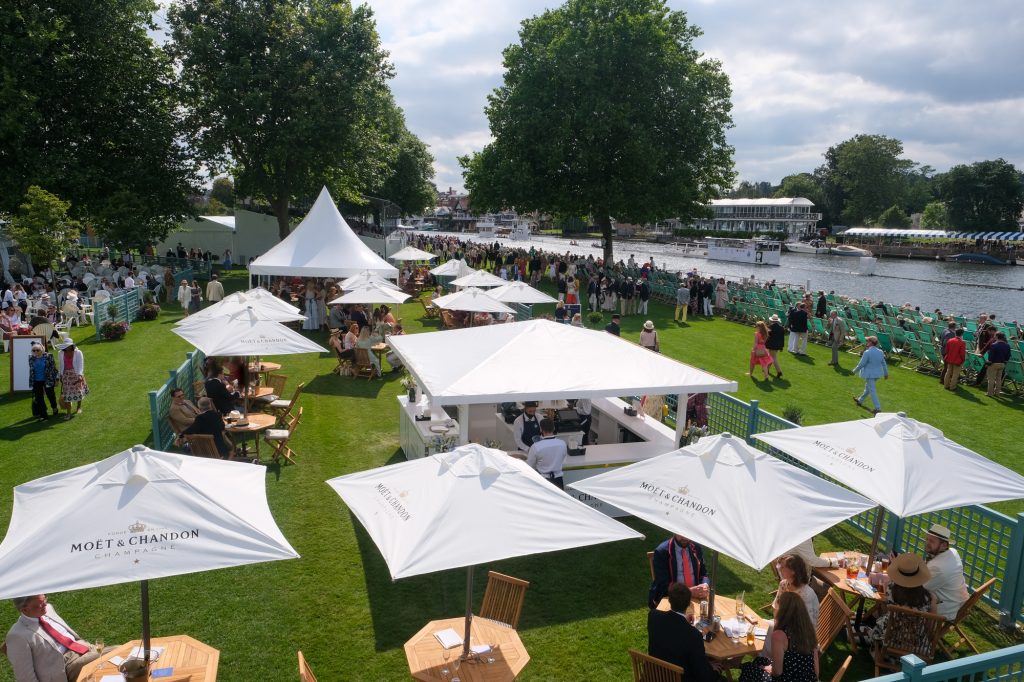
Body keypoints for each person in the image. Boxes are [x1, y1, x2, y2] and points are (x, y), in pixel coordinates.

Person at [6, 594, 108, 682]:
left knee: (115, 665)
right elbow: (25, 677)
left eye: (45, 599)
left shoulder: (48, 609)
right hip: (65, 666)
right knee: (115, 653)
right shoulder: (17, 635)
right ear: (25, 609)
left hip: (83, 647)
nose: (45, 604)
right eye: (40, 604)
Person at [741, 592, 818, 682]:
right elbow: (815, 667)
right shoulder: (809, 632)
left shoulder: (779, 635)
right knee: (760, 660)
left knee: (749, 669)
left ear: (782, 611)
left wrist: (769, 669)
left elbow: (777, 672)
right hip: (807, 679)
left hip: (786, 678)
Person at [647, 583, 716, 682]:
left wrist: (683, 621)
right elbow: (704, 675)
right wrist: (711, 668)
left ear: (669, 600)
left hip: (654, 676)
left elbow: (671, 631)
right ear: (689, 603)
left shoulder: (653, 616)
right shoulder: (694, 635)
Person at [863, 553, 935, 648]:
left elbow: (884, 611)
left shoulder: (891, 590)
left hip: (888, 644)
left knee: (876, 625)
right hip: (915, 649)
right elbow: (930, 626)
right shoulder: (930, 598)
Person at [649, 535, 710, 608]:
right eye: (681, 533)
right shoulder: (662, 551)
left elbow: (704, 574)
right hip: (672, 599)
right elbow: (663, 584)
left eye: (687, 533)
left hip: (696, 598)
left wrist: (705, 585)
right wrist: (688, 592)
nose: (684, 537)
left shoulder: (696, 547)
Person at [923, 524, 969, 621]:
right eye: (927, 539)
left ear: (943, 545)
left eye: (931, 541)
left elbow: (920, 587)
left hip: (946, 610)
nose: (927, 543)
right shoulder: (952, 552)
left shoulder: (938, 568)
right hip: (957, 602)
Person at [525, 418, 567, 489]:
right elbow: (563, 459)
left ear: (541, 429)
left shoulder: (536, 446)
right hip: (559, 480)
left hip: (543, 481)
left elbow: (529, 466)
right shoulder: (562, 443)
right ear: (553, 428)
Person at [852, 336, 888, 414]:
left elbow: (861, 364)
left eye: (868, 341)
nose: (866, 342)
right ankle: (860, 400)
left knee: (872, 390)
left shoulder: (867, 352)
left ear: (871, 343)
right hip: (877, 374)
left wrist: (853, 371)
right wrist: (886, 373)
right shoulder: (880, 352)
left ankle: (878, 408)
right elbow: (884, 364)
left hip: (870, 374)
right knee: (868, 388)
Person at [57, 340, 87, 420]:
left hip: (76, 374)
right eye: (66, 346)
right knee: (67, 394)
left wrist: (80, 375)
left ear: (72, 345)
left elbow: (81, 364)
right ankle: (68, 413)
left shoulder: (78, 352)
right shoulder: (60, 353)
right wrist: (60, 375)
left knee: (78, 391)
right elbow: (60, 364)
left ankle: (78, 407)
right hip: (66, 375)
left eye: (69, 346)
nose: (67, 347)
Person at [28, 343, 60, 421]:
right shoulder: (31, 358)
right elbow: (32, 370)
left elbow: (53, 368)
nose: (35, 351)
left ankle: (54, 408)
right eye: (33, 350)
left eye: (37, 350)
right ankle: (44, 415)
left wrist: (57, 379)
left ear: (42, 350)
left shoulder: (49, 356)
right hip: (36, 381)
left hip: (48, 380)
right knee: (39, 399)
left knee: (51, 395)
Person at [984, 332, 1011, 397]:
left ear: (997, 337)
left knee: (991, 379)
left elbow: (991, 357)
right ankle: (997, 393)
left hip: (993, 364)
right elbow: (1008, 356)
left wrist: (988, 363)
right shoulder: (1007, 345)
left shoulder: (994, 345)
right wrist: (1005, 361)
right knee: (999, 379)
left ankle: (990, 393)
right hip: (1002, 364)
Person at [765, 314, 785, 378]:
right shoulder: (781, 328)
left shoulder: (770, 327)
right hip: (778, 345)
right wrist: (781, 346)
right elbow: (782, 338)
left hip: (772, 345)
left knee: (773, 358)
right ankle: (767, 369)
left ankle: (779, 371)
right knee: (772, 357)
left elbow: (767, 336)